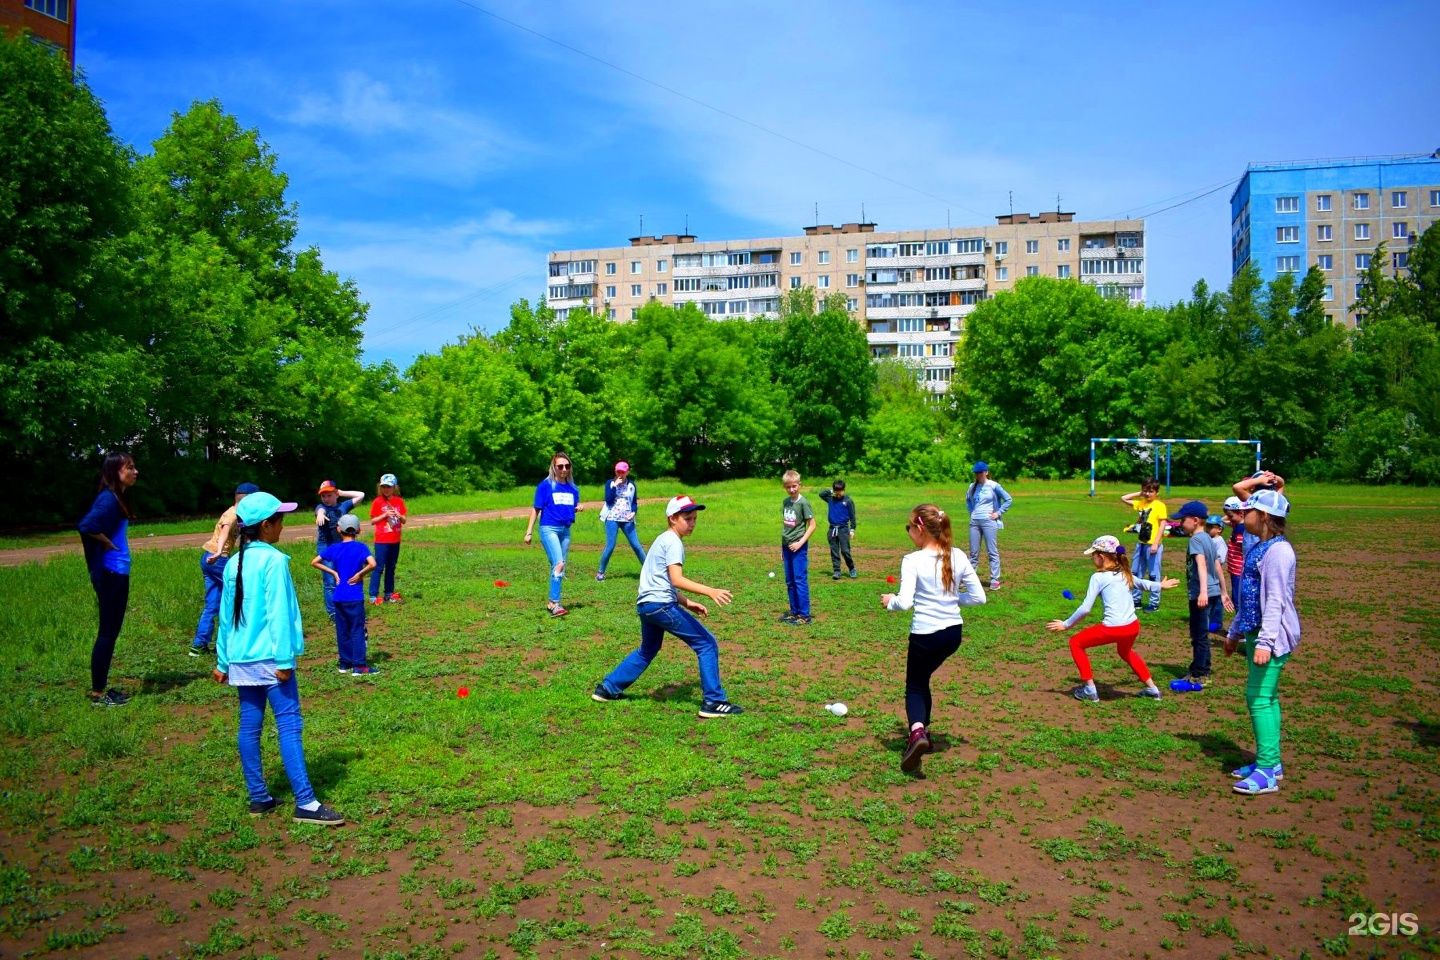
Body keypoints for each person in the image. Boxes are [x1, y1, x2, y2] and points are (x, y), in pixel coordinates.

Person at [214, 492, 344, 825]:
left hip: (242, 660)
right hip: (271, 658)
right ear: (265, 526)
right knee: (289, 725)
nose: (283, 525)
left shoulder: (233, 563)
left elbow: (225, 616)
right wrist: (284, 660)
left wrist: (223, 661)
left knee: (250, 726)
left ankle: (259, 797)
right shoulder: (272, 561)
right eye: (279, 519)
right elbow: (279, 615)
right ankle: (306, 802)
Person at [592, 495, 745, 718]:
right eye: (687, 518)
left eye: (694, 519)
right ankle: (714, 701)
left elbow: (660, 580)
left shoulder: (662, 539)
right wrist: (710, 591)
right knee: (707, 644)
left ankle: (608, 688)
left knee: (648, 650)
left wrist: (687, 602)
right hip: (661, 606)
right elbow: (676, 580)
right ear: (672, 518)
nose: (692, 523)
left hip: (647, 606)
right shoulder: (673, 542)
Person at [881, 504, 986, 773]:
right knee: (923, 679)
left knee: (914, 686)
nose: (907, 532)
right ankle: (923, 731)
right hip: (952, 635)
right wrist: (952, 599)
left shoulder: (913, 560)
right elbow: (979, 597)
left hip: (925, 635)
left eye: (909, 527)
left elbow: (904, 603)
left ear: (919, 529)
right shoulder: (958, 555)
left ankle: (917, 732)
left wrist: (890, 600)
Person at [1223, 483, 1299, 796]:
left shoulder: (1279, 551)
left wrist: (1266, 642)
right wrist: (1234, 631)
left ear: (1264, 516)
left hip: (1273, 635)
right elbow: (1249, 596)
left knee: (1257, 698)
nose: (1243, 514)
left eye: (1249, 510)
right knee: (1267, 697)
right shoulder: (1259, 546)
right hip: (1256, 631)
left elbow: (1276, 600)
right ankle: (1272, 762)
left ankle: (1266, 772)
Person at [1046, 535, 1179, 702]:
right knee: (1126, 652)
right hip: (1132, 627)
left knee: (1076, 643)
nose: (1092, 559)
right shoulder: (1124, 572)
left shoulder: (1098, 577)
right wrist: (1160, 585)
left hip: (1113, 629)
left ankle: (1089, 690)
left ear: (1101, 557)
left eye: (1093, 555)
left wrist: (1066, 624)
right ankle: (1153, 689)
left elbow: (1086, 608)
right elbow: (1143, 583)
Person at [77, 452, 139, 707]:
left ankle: (100, 689)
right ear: (116, 472)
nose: (135, 472)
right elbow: (87, 525)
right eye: (130, 468)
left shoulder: (116, 497)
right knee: (107, 634)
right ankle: (97, 694)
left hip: (117, 573)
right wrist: (106, 542)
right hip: (110, 575)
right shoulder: (108, 500)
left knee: (110, 633)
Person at [1169, 500, 1233, 693]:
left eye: (1183, 520)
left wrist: (1202, 592)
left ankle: (1199, 675)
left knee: (1199, 636)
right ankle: (1201, 670)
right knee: (1201, 634)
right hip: (1213, 593)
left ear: (1195, 520)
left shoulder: (1196, 540)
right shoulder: (1208, 538)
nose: (1180, 524)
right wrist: (1223, 592)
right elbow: (1217, 566)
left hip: (1201, 594)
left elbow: (1202, 565)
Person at [191, 482, 259, 657]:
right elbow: (225, 531)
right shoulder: (232, 515)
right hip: (217, 558)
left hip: (208, 558)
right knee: (239, 595)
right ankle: (238, 639)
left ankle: (199, 645)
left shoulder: (239, 514)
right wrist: (220, 552)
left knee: (213, 603)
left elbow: (243, 536)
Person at [311, 515, 378, 675]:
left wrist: (333, 572)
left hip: (338, 597)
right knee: (357, 630)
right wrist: (361, 574)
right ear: (359, 530)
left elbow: (314, 562)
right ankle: (359, 666)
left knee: (342, 631)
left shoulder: (334, 548)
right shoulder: (361, 547)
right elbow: (373, 564)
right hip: (354, 597)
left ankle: (345, 663)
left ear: (338, 530)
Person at [523, 452, 582, 618]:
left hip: (565, 530)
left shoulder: (573, 488)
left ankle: (551, 603)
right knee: (559, 563)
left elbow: (571, 506)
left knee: (559, 567)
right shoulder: (546, 485)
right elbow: (536, 509)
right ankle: (555, 604)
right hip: (549, 529)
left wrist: (577, 508)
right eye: (560, 466)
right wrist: (529, 532)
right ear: (554, 468)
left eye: (567, 466)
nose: (564, 469)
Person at [314, 480, 365, 621]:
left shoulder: (343, 506)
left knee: (344, 575)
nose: (326, 499)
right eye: (323, 496)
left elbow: (361, 495)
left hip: (342, 545)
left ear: (336, 494)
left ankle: (344, 607)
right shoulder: (321, 507)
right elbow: (320, 510)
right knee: (330, 580)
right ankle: (333, 613)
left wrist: (342, 493)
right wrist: (319, 514)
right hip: (326, 546)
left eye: (329, 495)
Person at [1120, 478, 1169, 612]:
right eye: (1146, 491)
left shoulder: (1160, 506)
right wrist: (1139, 493)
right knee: (1136, 572)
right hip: (1141, 543)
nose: (1148, 494)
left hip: (1153, 545)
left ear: (1157, 492)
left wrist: (1155, 543)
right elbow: (1123, 498)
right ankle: (1136, 600)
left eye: (1151, 491)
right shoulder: (1141, 503)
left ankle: (1154, 602)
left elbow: (1162, 525)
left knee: (1153, 574)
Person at [965, 462, 1012, 591]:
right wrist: (972, 513)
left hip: (989, 522)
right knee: (973, 553)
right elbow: (968, 501)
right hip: (974, 522)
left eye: (981, 472)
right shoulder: (972, 487)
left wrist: (998, 513)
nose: (978, 475)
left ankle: (995, 580)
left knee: (992, 552)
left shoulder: (993, 486)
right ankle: (970, 580)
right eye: (976, 473)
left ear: (986, 472)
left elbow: (1008, 499)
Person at [779, 470, 817, 625]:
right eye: (788, 487)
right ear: (785, 487)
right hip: (787, 546)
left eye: (794, 486)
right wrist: (782, 548)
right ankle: (794, 612)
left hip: (798, 547)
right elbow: (786, 527)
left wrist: (800, 543)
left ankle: (804, 615)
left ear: (799, 485)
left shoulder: (803, 503)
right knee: (790, 581)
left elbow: (813, 525)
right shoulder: (786, 502)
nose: (792, 489)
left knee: (799, 580)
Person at [596, 461, 645, 582]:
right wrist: (614, 486)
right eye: (618, 471)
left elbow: (634, 503)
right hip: (612, 518)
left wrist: (634, 512)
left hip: (627, 519)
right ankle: (600, 573)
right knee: (610, 546)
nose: (620, 474)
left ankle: (649, 571)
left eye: (623, 472)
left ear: (627, 472)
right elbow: (608, 500)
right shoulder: (610, 483)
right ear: (615, 471)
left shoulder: (631, 485)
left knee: (636, 546)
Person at [368, 473, 406, 604]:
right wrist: (384, 514)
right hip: (382, 540)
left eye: (388, 486)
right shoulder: (377, 502)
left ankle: (388, 593)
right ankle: (373, 595)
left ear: (394, 487)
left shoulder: (399, 501)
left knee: (391, 567)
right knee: (378, 567)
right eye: (383, 486)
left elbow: (404, 520)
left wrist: (399, 515)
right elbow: (373, 520)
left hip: (395, 540)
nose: (386, 489)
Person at [819, 479, 858, 580]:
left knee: (845, 551)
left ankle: (852, 568)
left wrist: (852, 529)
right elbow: (821, 494)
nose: (838, 493)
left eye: (840, 491)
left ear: (843, 490)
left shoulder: (848, 501)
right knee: (834, 550)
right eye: (836, 491)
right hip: (832, 529)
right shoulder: (831, 499)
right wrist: (832, 491)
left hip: (843, 529)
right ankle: (837, 571)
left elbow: (852, 516)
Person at [1205, 515, 1231, 634]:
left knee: (1217, 598)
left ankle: (1216, 622)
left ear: (1219, 529)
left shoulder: (1219, 542)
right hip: (1208, 573)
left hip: (1215, 573)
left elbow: (1220, 559)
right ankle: (1208, 620)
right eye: (1207, 526)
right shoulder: (1209, 539)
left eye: (1211, 527)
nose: (1207, 528)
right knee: (1209, 597)